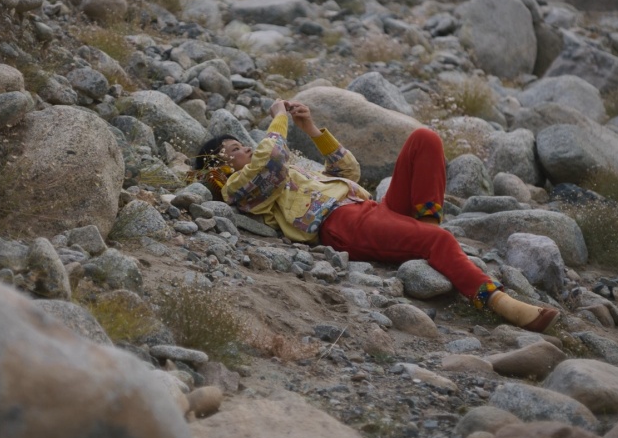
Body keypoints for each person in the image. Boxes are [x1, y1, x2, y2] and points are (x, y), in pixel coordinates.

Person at [191, 98, 559, 333]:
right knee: (441, 240)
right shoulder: (239, 186)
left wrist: (311, 130)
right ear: (220, 171)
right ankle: (496, 301)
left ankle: (423, 235)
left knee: (425, 139)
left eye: (241, 144)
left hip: (370, 210)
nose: (245, 148)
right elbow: (271, 155)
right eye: (234, 149)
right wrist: (279, 119)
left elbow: (349, 172)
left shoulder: (289, 169)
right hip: (341, 223)